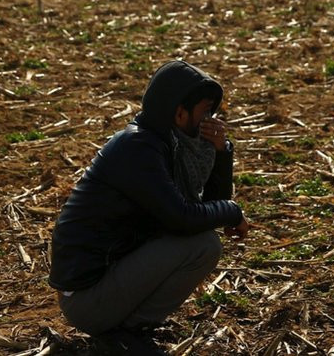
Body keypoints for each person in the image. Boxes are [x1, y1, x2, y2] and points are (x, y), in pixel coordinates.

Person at [49, 61, 249, 355]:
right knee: (203, 245)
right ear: (179, 112)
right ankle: (125, 333)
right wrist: (232, 210)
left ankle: (126, 330)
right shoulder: (138, 149)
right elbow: (183, 218)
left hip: (107, 282)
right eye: (204, 112)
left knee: (204, 242)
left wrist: (221, 153)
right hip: (86, 299)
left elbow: (201, 212)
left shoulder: (165, 142)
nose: (209, 120)